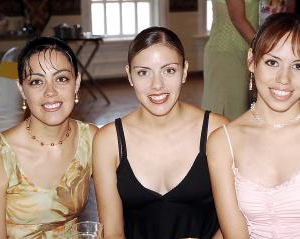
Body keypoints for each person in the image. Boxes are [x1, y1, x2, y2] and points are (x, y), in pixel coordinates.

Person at [207, 13, 300, 238]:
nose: (283, 79)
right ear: (251, 61)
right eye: (272, 62)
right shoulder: (223, 142)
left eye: (298, 66)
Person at [93, 26, 229, 239]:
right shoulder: (108, 141)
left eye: (169, 70)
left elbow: (233, 222)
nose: (157, 85)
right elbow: (112, 232)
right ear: (129, 75)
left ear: (184, 71)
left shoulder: (216, 130)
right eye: (143, 72)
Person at [0, 37, 98, 238]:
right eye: (36, 81)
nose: (50, 92)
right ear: (22, 89)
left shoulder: (91, 139)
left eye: (61, 79)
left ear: (76, 83)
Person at [202, 0, 295, 120]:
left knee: (238, 112)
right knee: (224, 114)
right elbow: (238, 19)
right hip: (227, 52)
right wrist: (265, 49)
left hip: (244, 50)